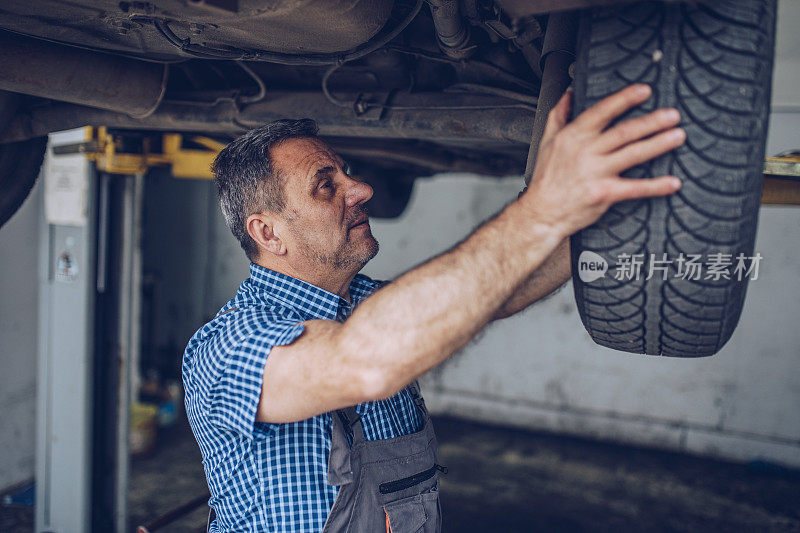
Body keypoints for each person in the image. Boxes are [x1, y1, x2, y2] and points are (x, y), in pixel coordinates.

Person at [182, 84, 685, 532]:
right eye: (326, 186)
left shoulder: (367, 304)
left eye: (346, 174)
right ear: (268, 233)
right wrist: (542, 208)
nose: (362, 190)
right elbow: (363, 363)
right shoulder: (227, 347)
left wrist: (600, 215)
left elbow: (494, 291)